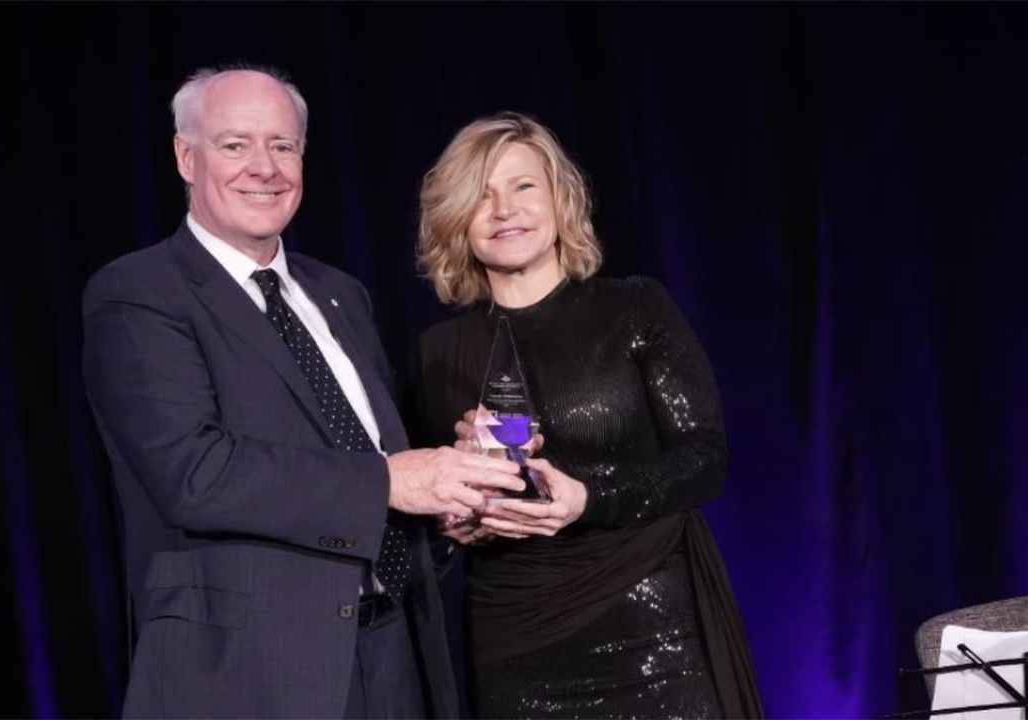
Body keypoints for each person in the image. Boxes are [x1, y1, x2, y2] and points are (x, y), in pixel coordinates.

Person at [82, 65, 525, 719]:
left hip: (394, 653)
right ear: (185, 155)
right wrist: (392, 482)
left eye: (283, 146)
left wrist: (445, 509)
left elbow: (373, 457)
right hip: (250, 675)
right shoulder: (139, 293)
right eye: (235, 145)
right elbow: (194, 473)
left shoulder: (342, 295)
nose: (265, 167)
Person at [408, 112, 765, 719]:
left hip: (650, 623)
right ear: (456, 219)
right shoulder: (437, 354)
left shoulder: (634, 307)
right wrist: (454, 524)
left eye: (523, 186)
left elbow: (705, 458)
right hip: (514, 637)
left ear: (559, 199)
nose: (504, 209)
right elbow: (426, 501)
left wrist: (590, 498)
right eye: (482, 195)